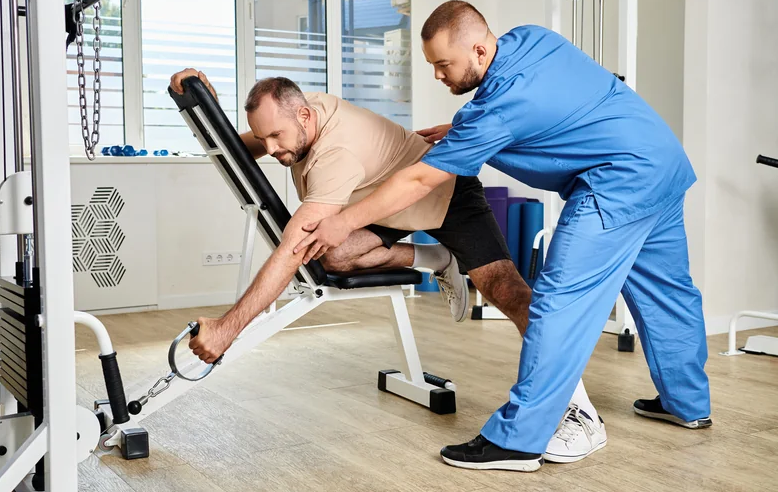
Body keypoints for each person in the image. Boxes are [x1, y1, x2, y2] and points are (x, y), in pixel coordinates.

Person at [295, 0, 711, 473]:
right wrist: (460, 128)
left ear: (477, 48)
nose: (438, 76)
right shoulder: (531, 39)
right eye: (431, 65)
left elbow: (417, 181)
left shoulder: (495, 110)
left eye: (443, 65)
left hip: (617, 182)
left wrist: (345, 221)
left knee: (557, 301)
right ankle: (688, 402)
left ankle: (520, 438)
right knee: (667, 290)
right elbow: (558, 102)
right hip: (661, 161)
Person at [171, 67, 607, 463]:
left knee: (507, 291)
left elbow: (292, 249)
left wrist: (229, 328)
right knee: (336, 253)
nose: (270, 149)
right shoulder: (301, 115)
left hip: (446, 192)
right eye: (263, 137)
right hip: (384, 201)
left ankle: (577, 405)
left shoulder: (335, 154)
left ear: (304, 117)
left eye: (276, 138)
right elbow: (242, 149)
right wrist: (208, 115)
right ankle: (438, 258)